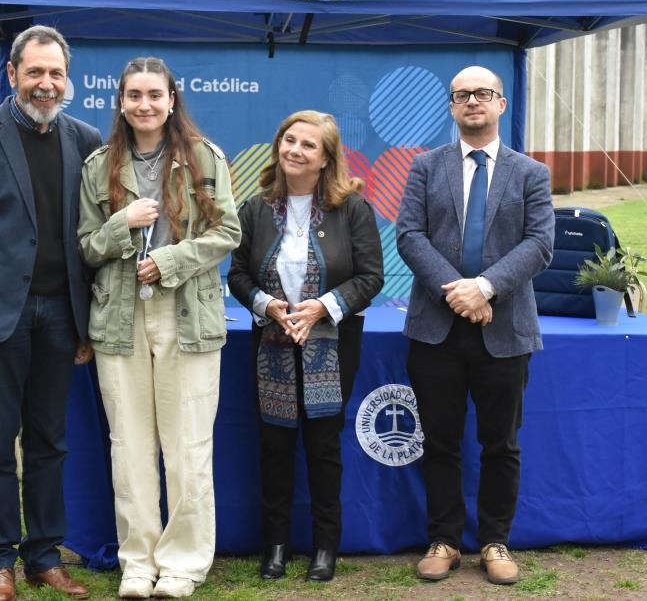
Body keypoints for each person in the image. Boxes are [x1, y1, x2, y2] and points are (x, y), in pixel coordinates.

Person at [0, 25, 101, 601]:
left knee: (51, 443)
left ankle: (44, 556)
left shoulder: (85, 139)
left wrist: (86, 325)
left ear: (67, 78)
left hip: (61, 317)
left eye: (55, 73)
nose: (46, 83)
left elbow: (91, 239)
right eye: (34, 72)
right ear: (11, 75)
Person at [77, 57, 240, 599]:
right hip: (120, 318)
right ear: (120, 102)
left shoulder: (204, 156)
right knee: (129, 447)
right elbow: (87, 247)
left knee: (187, 444)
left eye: (154, 94)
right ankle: (137, 564)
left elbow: (227, 233)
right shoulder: (99, 166)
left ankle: (182, 565)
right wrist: (123, 225)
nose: (144, 105)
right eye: (133, 95)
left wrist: (169, 260)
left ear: (172, 99)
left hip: (186, 315)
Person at [396, 66, 554, 586]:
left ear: (501, 104)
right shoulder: (424, 166)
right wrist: (459, 293)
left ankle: (494, 541)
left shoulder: (531, 173)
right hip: (436, 328)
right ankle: (443, 540)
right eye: (461, 95)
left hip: (504, 327)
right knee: (439, 441)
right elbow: (411, 237)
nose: (472, 102)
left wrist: (484, 289)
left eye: (482, 94)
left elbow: (539, 244)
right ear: (451, 106)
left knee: (500, 443)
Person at [228, 110, 383, 583]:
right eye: (288, 140)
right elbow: (237, 274)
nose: (295, 150)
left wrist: (320, 307)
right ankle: (275, 545)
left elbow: (371, 276)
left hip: (333, 342)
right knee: (274, 445)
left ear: (325, 159)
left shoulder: (352, 208)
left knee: (322, 446)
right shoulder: (255, 209)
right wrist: (270, 306)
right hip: (271, 339)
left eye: (308, 145)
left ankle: (324, 546)